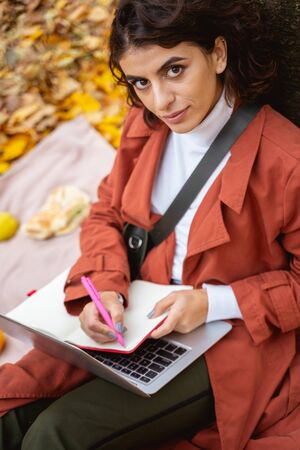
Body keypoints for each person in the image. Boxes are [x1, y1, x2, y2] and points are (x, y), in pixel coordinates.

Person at [1, 0, 300, 449]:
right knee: (10, 407)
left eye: (175, 70)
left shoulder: (286, 160)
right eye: (142, 82)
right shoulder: (144, 126)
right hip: (135, 316)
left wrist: (212, 303)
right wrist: (104, 288)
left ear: (218, 54)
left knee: (56, 434)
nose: (161, 100)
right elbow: (108, 209)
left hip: (227, 340)